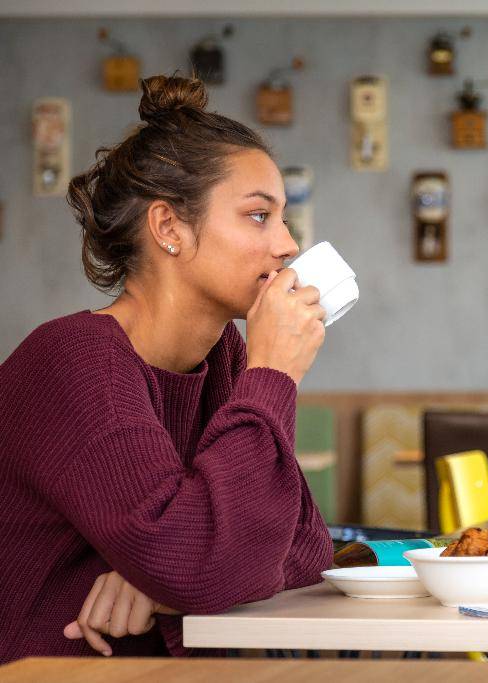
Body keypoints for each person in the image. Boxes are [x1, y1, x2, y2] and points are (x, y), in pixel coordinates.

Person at [0, 75, 333, 662]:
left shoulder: (223, 357)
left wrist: (160, 583)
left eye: (283, 218)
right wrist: (274, 374)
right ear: (169, 228)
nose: (287, 245)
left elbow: (306, 546)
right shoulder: (74, 362)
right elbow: (213, 561)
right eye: (260, 216)